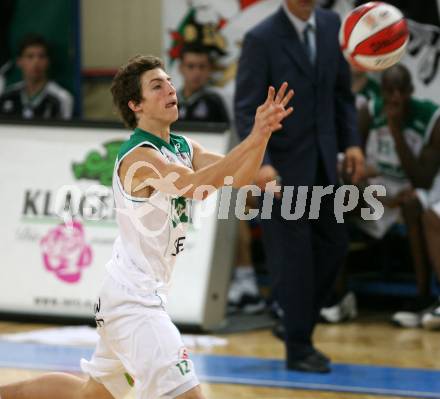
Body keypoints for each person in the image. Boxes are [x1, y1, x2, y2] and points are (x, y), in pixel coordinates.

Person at [0, 55, 293, 399]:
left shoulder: (183, 147)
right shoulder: (139, 157)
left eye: (169, 81)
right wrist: (253, 136)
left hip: (132, 295)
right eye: (157, 85)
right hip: (133, 303)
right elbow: (196, 185)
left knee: (90, 396)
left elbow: (240, 179)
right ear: (135, 105)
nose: (170, 88)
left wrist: (262, 137)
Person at [235, 0, 364, 373]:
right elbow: (247, 108)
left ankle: (294, 320)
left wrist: (351, 142)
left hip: (324, 164)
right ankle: (298, 347)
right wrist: (261, 162)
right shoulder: (261, 38)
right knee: (293, 261)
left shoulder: (329, 24)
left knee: (335, 246)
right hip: (280, 170)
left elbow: (342, 96)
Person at [357, 64, 440, 329]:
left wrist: (395, 131)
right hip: (377, 193)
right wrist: (369, 192)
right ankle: (334, 297)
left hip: (413, 191)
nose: (395, 98)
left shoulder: (430, 118)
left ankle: (423, 296)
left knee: (414, 207)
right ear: (380, 93)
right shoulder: (368, 112)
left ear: (411, 91)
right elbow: (352, 165)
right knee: (333, 202)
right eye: (389, 92)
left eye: (401, 91)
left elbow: (423, 178)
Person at [0, 33, 73, 119]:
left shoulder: (62, 98)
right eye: (30, 56)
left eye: (41, 56)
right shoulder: (7, 95)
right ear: (19, 62)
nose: (36, 62)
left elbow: (65, 131)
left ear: (48, 62)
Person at [177, 44, 229, 123]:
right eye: (190, 66)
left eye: (202, 67)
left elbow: (225, 132)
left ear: (210, 69)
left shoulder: (214, 102)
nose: (197, 73)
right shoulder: (170, 101)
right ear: (181, 68)